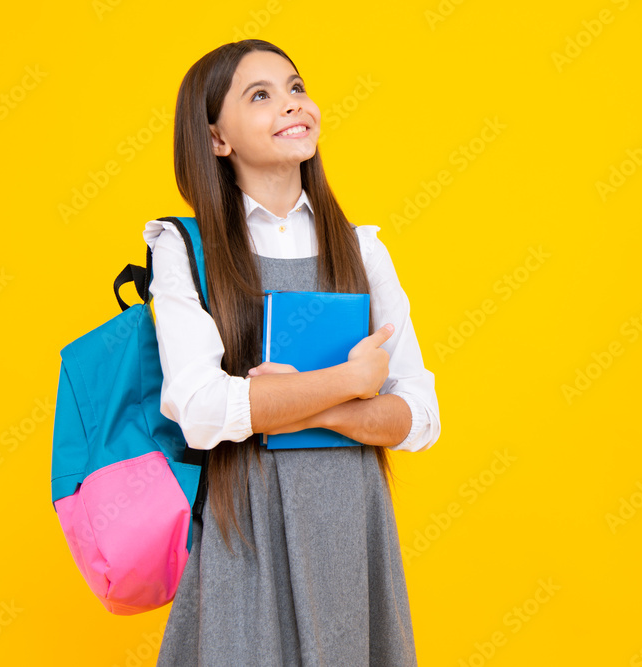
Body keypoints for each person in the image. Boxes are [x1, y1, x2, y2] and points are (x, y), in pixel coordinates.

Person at [143, 39, 441, 665]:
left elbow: (418, 417)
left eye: (296, 87)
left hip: (350, 534)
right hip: (244, 531)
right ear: (217, 139)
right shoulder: (183, 248)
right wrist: (352, 382)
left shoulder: (362, 249)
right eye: (261, 95)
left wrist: (303, 406)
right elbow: (198, 409)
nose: (292, 104)